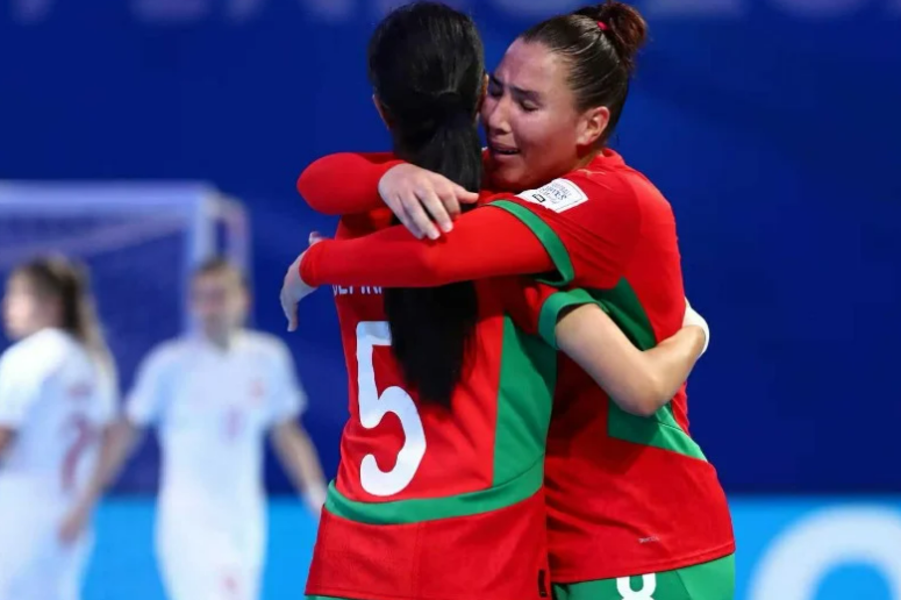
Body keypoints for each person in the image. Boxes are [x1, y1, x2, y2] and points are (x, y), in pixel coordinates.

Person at [285, 2, 735, 599]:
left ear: (591, 126)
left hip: (638, 532)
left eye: (526, 104)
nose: (496, 117)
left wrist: (317, 264)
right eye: (494, 91)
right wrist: (384, 178)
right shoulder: (498, 192)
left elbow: (640, 387)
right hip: (553, 538)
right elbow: (320, 177)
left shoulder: (605, 200)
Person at [67, 258, 327, 600]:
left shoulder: (268, 358)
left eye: (219, 296)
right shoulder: (168, 365)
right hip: (187, 523)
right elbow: (124, 434)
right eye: (201, 298)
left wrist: (316, 498)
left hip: (244, 521)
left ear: (243, 299)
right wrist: (85, 500)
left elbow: (287, 433)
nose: (209, 308)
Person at [0, 256, 117, 600]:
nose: (7, 305)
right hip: (71, 516)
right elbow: (108, 441)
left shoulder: (29, 357)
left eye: (18, 295)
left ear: (51, 305)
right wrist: (83, 506)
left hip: (19, 510)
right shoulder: (95, 360)